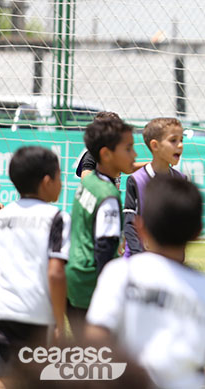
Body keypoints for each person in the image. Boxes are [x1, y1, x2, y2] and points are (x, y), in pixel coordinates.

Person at [85, 176, 205, 389]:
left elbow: (95, 338)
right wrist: (199, 379)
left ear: (140, 227)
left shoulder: (121, 273)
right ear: (198, 233)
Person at [0, 147, 69, 383]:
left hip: (1, 309)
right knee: (35, 379)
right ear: (47, 181)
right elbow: (56, 273)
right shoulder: (57, 217)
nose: (62, 182)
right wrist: (60, 320)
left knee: (5, 378)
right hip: (35, 314)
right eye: (60, 176)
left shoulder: (2, 215)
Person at [66, 116, 137, 339]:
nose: (134, 155)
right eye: (128, 149)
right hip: (91, 284)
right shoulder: (107, 195)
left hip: (74, 278)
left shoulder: (88, 183)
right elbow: (104, 249)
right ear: (106, 154)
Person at [123, 117, 185, 257]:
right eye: (173, 140)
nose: (180, 145)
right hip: (136, 259)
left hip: (168, 260)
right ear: (155, 145)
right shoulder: (136, 180)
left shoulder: (181, 180)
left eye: (181, 140)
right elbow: (129, 222)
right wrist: (138, 254)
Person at [76, 111, 143, 188]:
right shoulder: (92, 155)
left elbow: (131, 166)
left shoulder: (115, 155)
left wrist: (150, 165)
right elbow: (86, 178)